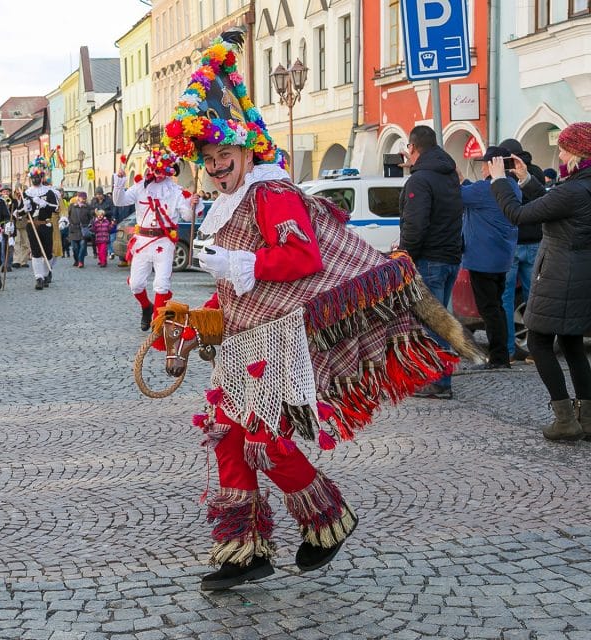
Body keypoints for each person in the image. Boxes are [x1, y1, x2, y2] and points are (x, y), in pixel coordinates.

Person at [163, 31, 458, 591]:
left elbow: (300, 256)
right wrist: (194, 316)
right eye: (208, 160)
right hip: (245, 341)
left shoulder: (272, 193)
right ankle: (242, 548)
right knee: (227, 437)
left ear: (246, 151)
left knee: (260, 439)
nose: (217, 167)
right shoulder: (229, 203)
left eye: (225, 156)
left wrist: (238, 261)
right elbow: (235, 286)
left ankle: (326, 520)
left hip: (279, 341)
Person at [489, 122, 591, 441]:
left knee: (539, 341)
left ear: (578, 152)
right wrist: (527, 179)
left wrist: (499, 182)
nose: (558, 154)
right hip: (579, 274)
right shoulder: (580, 186)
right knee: (572, 344)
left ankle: (564, 420)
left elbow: (519, 215)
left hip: (561, 275)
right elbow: (550, 204)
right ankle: (586, 418)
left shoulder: (574, 189)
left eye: (563, 148)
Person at [398, 125, 464, 400]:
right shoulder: (449, 175)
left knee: (431, 324)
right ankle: (440, 377)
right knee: (441, 321)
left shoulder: (421, 180)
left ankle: (438, 382)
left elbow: (416, 224)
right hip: (450, 257)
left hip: (430, 260)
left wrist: (404, 254)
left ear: (412, 148)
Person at [113, 148, 200, 331]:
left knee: (161, 285)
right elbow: (119, 201)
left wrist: (194, 204)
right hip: (142, 242)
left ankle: (158, 323)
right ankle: (146, 307)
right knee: (136, 284)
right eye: (155, 170)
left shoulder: (176, 192)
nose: (157, 175)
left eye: (162, 171)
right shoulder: (140, 188)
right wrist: (119, 181)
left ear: (170, 170)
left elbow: (186, 216)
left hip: (164, 241)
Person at [460, 146, 520, 369]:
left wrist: (458, 180)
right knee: (498, 307)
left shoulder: (485, 189)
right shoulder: (512, 186)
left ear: (493, 165)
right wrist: (464, 180)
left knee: (490, 310)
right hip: (501, 258)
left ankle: (498, 358)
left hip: (482, 259)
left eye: (485, 163)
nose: (483, 167)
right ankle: (502, 354)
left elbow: (460, 196)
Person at [499, 138, 545, 361]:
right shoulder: (534, 171)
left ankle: (508, 350)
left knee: (506, 298)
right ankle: (536, 351)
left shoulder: (505, 176)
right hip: (535, 241)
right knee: (534, 298)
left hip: (512, 244)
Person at [21, 157, 58, 290]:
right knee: (36, 251)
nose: (36, 179)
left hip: (45, 224)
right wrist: (24, 208)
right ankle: (39, 277)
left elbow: (55, 207)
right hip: (32, 225)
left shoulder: (48, 192)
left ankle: (47, 272)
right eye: (33, 177)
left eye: (38, 177)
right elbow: (19, 212)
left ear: (42, 177)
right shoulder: (27, 193)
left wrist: (45, 204)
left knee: (47, 252)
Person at [67, 191, 93, 268]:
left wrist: (89, 225)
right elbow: (68, 215)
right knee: (74, 247)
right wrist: (69, 222)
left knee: (82, 246)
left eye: (85, 198)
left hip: (83, 229)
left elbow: (91, 217)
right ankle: (76, 260)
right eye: (82, 198)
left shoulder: (87, 207)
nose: (84, 199)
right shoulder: (72, 206)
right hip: (73, 229)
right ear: (78, 198)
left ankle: (81, 261)